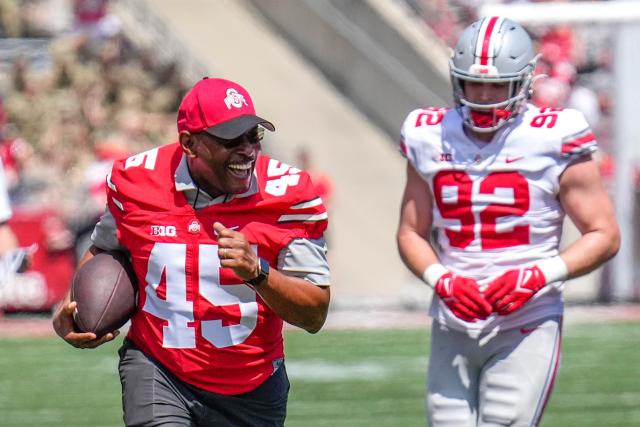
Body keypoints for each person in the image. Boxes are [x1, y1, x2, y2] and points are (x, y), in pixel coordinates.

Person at [53, 77, 331, 426]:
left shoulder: (290, 195)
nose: (247, 150)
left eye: (253, 136)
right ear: (189, 143)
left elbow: (314, 314)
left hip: (252, 384)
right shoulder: (136, 181)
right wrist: (72, 307)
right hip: (159, 368)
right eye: (232, 139)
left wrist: (258, 273)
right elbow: (105, 248)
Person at [396, 17, 619, 427]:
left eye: (497, 85)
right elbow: (411, 231)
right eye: (472, 84)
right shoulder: (429, 133)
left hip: (526, 318)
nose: (482, 97)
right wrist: (441, 280)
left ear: (525, 81)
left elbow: (604, 234)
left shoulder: (554, 133)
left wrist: (537, 276)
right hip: (453, 316)